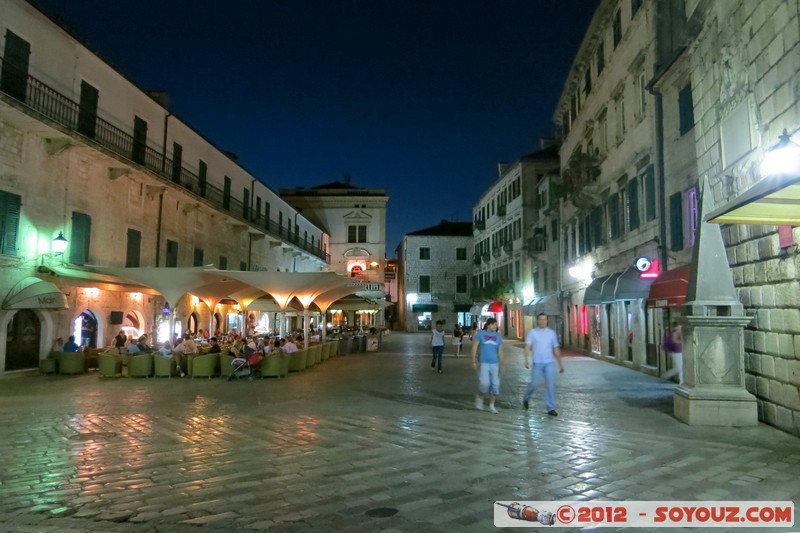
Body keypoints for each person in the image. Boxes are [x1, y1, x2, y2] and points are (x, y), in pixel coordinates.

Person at [523, 313, 564, 417]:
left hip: (549, 362)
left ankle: (550, 407)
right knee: (534, 384)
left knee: (550, 385)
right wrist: (526, 359)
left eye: (544, 319)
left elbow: (555, 348)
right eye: (540, 319)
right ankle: (526, 398)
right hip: (537, 363)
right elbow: (527, 346)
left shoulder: (551, 333)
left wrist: (560, 364)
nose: (542, 321)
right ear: (537, 321)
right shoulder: (532, 333)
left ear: (547, 321)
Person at [471, 318, 504, 413]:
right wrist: (473, 361)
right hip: (483, 363)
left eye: (496, 324)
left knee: (495, 385)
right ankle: (480, 396)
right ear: (488, 325)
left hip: (495, 363)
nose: (495, 326)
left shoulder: (498, 336)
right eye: (493, 324)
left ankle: (492, 405)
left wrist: (502, 364)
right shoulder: (481, 334)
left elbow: (500, 351)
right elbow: (474, 347)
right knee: (484, 384)